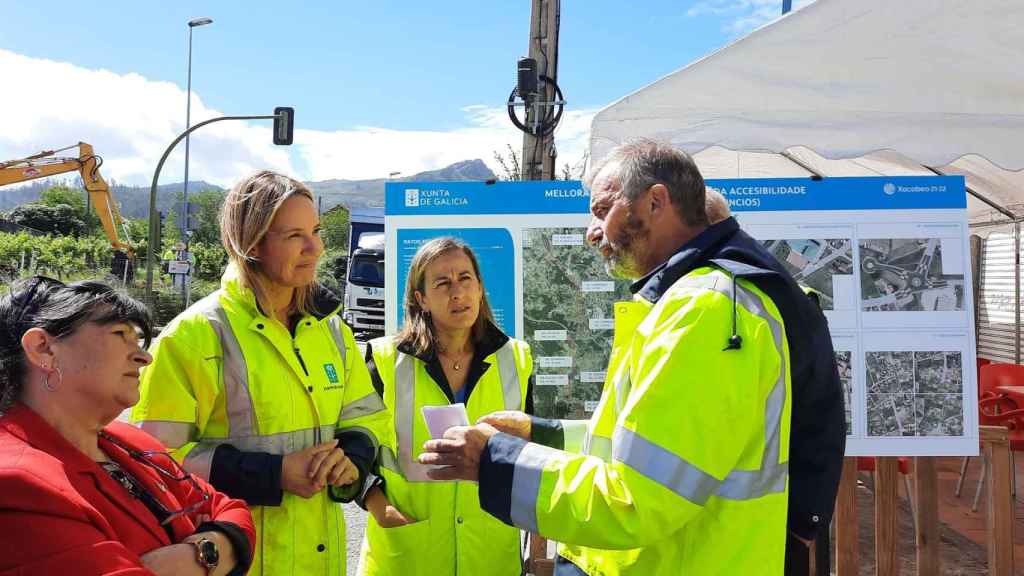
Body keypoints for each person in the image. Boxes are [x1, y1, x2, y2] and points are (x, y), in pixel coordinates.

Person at [420, 139, 836, 575]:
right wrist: (541, 434)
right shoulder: (703, 299)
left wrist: (493, 461)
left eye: (602, 210)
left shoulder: (704, 311)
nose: (591, 231)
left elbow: (636, 500)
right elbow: (651, 446)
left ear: (656, 201)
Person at [132, 170, 391, 576]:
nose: (316, 248)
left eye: (317, 231)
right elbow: (156, 463)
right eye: (294, 236)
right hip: (242, 560)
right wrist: (273, 475)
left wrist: (352, 459)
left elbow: (367, 416)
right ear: (251, 243)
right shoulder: (193, 335)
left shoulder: (332, 329)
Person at [0, 277, 254, 575]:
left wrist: (199, 555)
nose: (144, 357)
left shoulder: (132, 441)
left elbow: (232, 509)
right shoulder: (17, 483)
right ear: (44, 349)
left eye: (139, 341)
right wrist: (222, 548)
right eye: (120, 333)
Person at [356, 237, 534, 576]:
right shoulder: (383, 361)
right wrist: (380, 508)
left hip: (490, 554)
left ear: (480, 288)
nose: (458, 293)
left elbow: (532, 451)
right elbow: (354, 451)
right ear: (421, 299)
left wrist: (538, 542)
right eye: (443, 283)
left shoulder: (517, 359)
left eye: (465, 279)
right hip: (407, 554)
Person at [705, 185, 845, 575]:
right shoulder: (742, 293)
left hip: (769, 527)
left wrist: (804, 522)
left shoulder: (762, 300)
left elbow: (822, 411)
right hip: (739, 524)